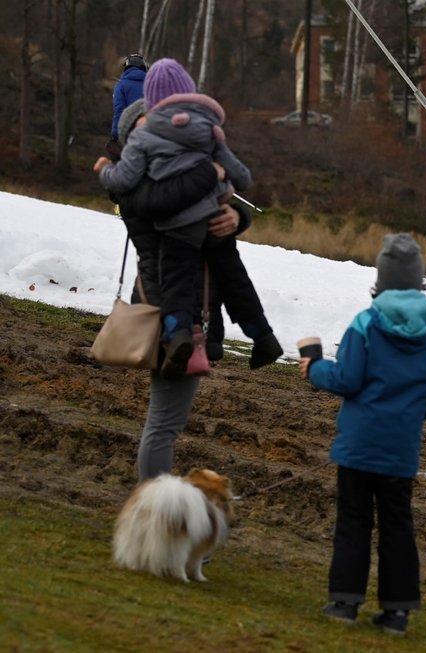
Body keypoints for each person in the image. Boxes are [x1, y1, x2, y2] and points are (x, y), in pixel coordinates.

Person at [299, 233, 426, 636]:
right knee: (397, 527)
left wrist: (313, 370)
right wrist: (416, 412)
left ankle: (344, 603)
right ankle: (397, 612)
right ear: (420, 279)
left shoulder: (366, 323)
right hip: (400, 450)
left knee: (353, 523)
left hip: (358, 446)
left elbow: (347, 378)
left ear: (381, 279)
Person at [94, 58, 283, 378]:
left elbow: (220, 191)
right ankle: (254, 334)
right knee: (165, 412)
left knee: (168, 416)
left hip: (201, 313)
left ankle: (260, 335)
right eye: (144, 123)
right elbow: (162, 202)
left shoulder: (175, 150)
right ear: (129, 142)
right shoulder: (134, 191)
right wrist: (208, 173)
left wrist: (237, 215)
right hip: (162, 313)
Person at [99, 97, 251, 481]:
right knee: (164, 425)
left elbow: (210, 220)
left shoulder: (160, 176)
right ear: (136, 134)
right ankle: (153, 513)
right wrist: (214, 175)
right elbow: (184, 204)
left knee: (166, 423)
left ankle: (153, 510)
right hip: (169, 315)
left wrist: (237, 215)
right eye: (153, 124)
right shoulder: (140, 186)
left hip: (188, 310)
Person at [108, 53, 147, 159]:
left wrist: (114, 135)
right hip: (148, 133)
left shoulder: (121, 85)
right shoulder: (151, 85)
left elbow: (118, 111)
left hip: (127, 133)